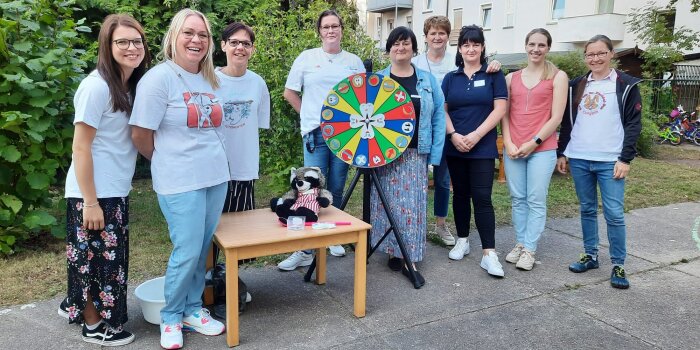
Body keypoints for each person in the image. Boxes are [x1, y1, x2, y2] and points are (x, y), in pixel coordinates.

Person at [130, 8, 229, 349]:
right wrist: (165, 161)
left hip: (216, 176)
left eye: (202, 35)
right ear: (174, 36)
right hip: (178, 180)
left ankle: (192, 308)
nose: (196, 40)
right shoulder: (159, 79)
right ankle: (171, 317)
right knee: (186, 249)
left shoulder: (210, 78)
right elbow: (141, 133)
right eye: (189, 33)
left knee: (202, 248)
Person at [61, 13, 149, 346]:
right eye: (122, 42)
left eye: (137, 41)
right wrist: (91, 201)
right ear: (107, 46)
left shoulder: (129, 86)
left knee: (99, 260)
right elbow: (80, 147)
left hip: (115, 188)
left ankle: (78, 306)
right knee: (92, 264)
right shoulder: (95, 86)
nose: (131, 47)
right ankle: (94, 325)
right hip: (92, 191)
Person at [279, 9, 364, 270]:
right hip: (315, 133)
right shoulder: (306, 58)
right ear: (319, 31)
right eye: (326, 27)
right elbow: (289, 93)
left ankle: (330, 236)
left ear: (341, 29)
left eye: (335, 26)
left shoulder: (353, 61)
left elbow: (362, 96)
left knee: (336, 187)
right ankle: (305, 250)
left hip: (344, 134)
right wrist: (310, 115)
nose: (331, 30)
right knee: (310, 189)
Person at [556, 34, 642, 289]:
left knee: (614, 214)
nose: (595, 58)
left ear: (611, 54)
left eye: (600, 53)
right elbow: (567, 122)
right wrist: (563, 153)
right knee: (587, 209)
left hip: (610, 160)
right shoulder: (577, 85)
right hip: (580, 157)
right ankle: (590, 255)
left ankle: (618, 263)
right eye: (590, 54)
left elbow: (634, 124)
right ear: (586, 58)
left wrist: (625, 158)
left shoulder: (626, 85)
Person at [412, 16, 500, 246]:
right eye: (433, 33)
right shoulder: (416, 62)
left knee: (442, 180)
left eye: (442, 33)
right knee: (417, 179)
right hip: (420, 128)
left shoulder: (456, 61)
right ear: (426, 37)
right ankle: (415, 224)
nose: (437, 37)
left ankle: (440, 224)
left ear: (448, 38)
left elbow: (478, 68)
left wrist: (494, 64)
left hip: (447, 128)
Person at [372, 26, 445, 287]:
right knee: (387, 206)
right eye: (395, 43)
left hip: (415, 153)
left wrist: (434, 156)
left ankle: (408, 258)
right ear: (389, 49)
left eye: (406, 43)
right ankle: (393, 250)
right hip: (385, 154)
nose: (400, 48)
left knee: (411, 207)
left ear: (414, 49)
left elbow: (437, 116)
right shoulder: (378, 79)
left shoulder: (427, 80)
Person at [442, 25, 507, 277]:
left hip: (482, 148)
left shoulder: (494, 75)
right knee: (459, 195)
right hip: (456, 146)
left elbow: (499, 109)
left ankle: (489, 254)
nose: (471, 49)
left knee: (482, 198)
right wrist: (454, 135)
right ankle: (462, 240)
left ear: (482, 47)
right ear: (459, 49)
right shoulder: (450, 78)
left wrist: (476, 135)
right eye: (466, 45)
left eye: (475, 44)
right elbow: (443, 110)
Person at [502, 28, 568, 271]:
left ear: (548, 48)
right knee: (518, 199)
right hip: (515, 148)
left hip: (542, 148)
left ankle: (530, 248)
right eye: (532, 44)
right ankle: (520, 243)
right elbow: (505, 115)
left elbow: (556, 117)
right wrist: (508, 142)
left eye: (541, 45)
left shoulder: (558, 77)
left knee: (536, 200)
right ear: (526, 46)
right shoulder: (511, 78)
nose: (536, 49)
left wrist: (534, 142)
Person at [217, 21, 270, 307]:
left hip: (243, 169)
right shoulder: (209, 80)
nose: (240, 47)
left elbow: (256, 126)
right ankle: (208, 283)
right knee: (210, 230)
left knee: (238, 234)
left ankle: (230, 280)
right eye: (234, 42)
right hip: (212, 171)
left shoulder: (258, 83)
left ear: (252, 50)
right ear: (223, 45)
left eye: (246, 44)